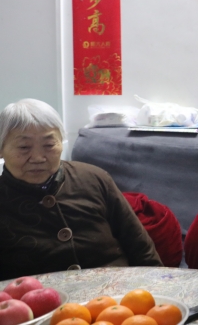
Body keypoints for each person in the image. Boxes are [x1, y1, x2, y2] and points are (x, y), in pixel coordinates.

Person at [0, 99, 162, 280]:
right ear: (1, 149)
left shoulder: (94, 178)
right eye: (23, 147)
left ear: (61, 143)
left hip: (117, 291)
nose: (38, 157)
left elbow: (139, 246)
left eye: (49, 145)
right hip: (34, 297)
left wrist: (159, 286)